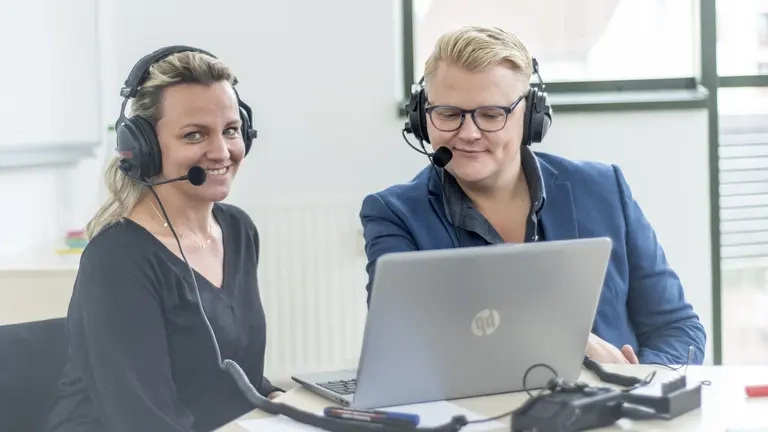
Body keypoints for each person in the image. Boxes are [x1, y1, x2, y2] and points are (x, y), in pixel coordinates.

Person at [359, 26, 706, 366]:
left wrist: (639, 385)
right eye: (448, 114)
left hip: (613, 417)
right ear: (422, 117)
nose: (468, 133)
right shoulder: (394, 214)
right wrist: (573, 340)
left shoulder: (604, 188)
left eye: (491, 114)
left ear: (530, 116)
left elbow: (678, 329)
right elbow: (402, 348)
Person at [46, 46, 281, 432]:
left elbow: (235, 373)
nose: (222, 151)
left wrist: (285, 404)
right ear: (144, 150)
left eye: (231, 130)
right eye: (194, 135)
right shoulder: (118, 260)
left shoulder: (237, 230)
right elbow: (145, 420)